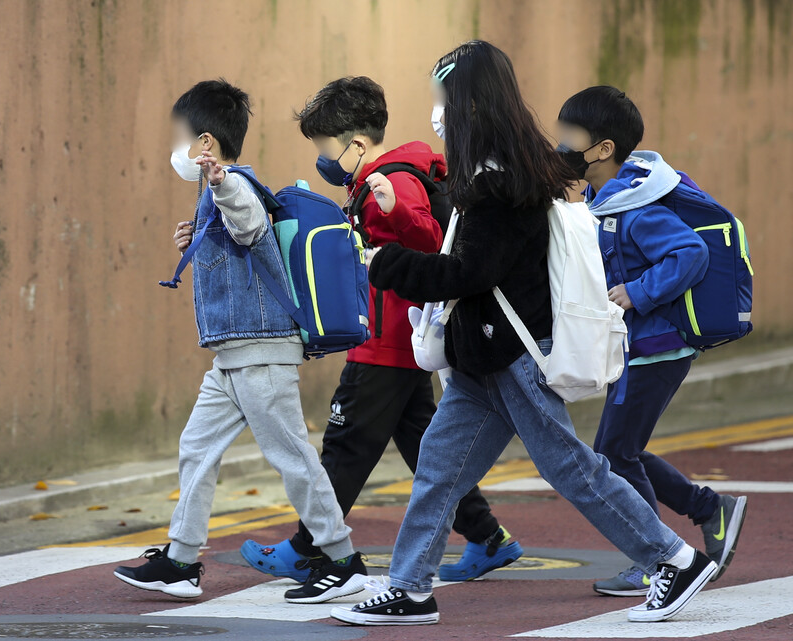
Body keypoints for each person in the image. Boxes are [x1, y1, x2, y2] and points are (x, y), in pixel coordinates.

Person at [330, 41, 717, 627]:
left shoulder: (500, 180)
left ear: (469, 104)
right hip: (483, 355)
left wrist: (385, 263)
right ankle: (410, 588)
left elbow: (470, 272)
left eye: (442, 101)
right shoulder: (504, 168)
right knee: (438, 467)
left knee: (572, 469)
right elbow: (472, 257)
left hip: (514, 353)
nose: (435, 114)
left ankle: (674, 559)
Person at [240, 76, 522, 586]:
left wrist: (395, 209)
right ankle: (487, 536)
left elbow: (436, 246)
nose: (324, 159)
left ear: (356, 143)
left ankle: (310, 548)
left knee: (345, 445)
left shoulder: (390, 183)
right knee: (424, 448)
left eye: (326, 147)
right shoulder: (381, 178)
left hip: (386, 339)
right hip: (400, 338)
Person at [114, 79, 367, 604]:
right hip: (232, 358)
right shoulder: (214, 194)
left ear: (205, 142)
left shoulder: (236, 185)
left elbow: (251, 226)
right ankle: (181, 561)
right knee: (197, 447)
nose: (176, 148)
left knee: (292, 458)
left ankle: (344, 561)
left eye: (181, 137)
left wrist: (222, 184)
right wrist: (197, 235)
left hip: (262, 354)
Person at [555, 85, 747, 597]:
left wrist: (636, 292)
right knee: (620, 450)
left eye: (570, 135)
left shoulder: (638, 207)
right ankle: (709, 509)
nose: (561, 145)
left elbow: (689, 254)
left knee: (614, 452)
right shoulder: (600, 199)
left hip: (658, 347)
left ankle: (658, 558)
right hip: (634, 347)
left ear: (603, 148)